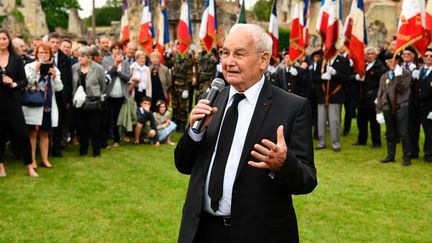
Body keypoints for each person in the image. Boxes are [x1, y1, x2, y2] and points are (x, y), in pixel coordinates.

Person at [174, 24, 317, 243]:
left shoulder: (291, 107)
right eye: (225, 53)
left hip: (258, 233)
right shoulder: (212, 97)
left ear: (263, 60)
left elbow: (307, 180)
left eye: (239, 54)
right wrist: (195, 133)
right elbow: (183, 165)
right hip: (202, 230)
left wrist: (283, 164)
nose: (228, 62)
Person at [0, 28, 38, 177]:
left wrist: (13, 83)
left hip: (12, 101)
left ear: (8, 40)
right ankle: (1, 166)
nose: (1, 41)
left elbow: (24, 82)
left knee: (22, 133)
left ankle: (29, 165)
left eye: (4, 38)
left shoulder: (16, 59)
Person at [23, 43, 63, 169]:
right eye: (41, 52)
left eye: (46, 53)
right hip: (34, 104)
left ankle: (45, 160)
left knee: (45, 133)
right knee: (33, 133)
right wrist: (36, 71)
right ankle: (32, 160)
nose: (44, 55)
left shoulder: (54, 69)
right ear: (36, 54)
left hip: (48, 105)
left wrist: (55, 77)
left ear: (51, 55)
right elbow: (27, 83)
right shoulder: (29, 66)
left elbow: (59, 88)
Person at [376, 52, 411, 166]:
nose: (392, 63)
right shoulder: (385, 76)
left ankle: (406, 157)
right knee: (390, 133)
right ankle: (390, 155)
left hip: (401, 106)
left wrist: (398, 76)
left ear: (398, 61)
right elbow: (380, 94)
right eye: (389, 61)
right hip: (387, 107)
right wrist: (378, 110)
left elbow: (402, 89)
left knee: (403, 133)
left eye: (394, 61)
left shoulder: (405, 74)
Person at [72, 46, 106, 157]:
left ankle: (96, 151)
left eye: (83, 56)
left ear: (90, 58)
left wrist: (97, 95)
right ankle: (83, 150)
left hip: (93, 101)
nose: (80, 58)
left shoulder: (99, 68)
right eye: (79, 56)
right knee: (81, 127)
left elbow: (103, 85)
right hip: (79, 101)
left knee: (94, 127)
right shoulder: (74, 68)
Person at [353, 47, 387, 148]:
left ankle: (376, 142)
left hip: (373, 99)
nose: (370, 56)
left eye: (372, 54)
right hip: (361, 98)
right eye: (368, 54)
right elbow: (352, 77)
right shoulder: (361, 65)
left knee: (374, 122)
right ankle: (361, 140)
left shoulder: (380, 67)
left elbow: (382, 83)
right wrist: (356, 77)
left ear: (376, 55)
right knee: (361, 121)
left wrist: (376, 96)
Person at [48, 32, 73, 156]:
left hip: (61, 93)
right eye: (52, 42)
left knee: (59, 121)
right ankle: (47, 146)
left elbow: (68, 80)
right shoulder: (44, 56)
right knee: (47, 121)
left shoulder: (65, 59)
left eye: (57, 42)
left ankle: (57, 148)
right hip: (47, 93)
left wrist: (68, 98)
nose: (55, 44)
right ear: (48, 42)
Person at [105, 41, 131, 148]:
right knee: (107, 117)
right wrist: (116, 66)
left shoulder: (125, 62)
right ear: (111, 50)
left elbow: (127, 77)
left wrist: (119, 72)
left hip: (120, 94)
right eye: (114, 48)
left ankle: (116, 140)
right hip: (108, 94)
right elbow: (108, 74)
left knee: (117, 118)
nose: (116, 50)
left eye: (118, 49)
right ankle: (105, 140)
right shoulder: (106, 60)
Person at [415, 48, 432, 162]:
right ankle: (413, 151)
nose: (428, 57)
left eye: (431, 56)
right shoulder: (420, 70)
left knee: (429, 132)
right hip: (417, 106)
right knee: (413, 131)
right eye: (426, 55)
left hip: (429, 106)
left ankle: (429, 154)